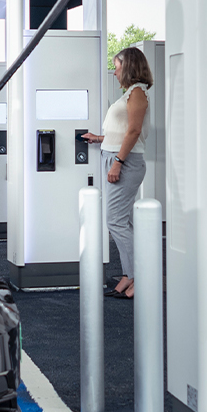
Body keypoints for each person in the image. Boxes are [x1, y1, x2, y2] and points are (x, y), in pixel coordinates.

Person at [83, 46, 151, 299]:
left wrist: (118, 162)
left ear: (129, 66)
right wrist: (100, 138)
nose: (114, 72)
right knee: (122, 221)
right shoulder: (130, 94)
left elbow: (134, 132)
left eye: (117, 66)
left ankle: (137, 276)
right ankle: (129, 274)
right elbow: (122, 131)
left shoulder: (138, 94)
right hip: (115, 156)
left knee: (115, 221)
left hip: (126, 161)